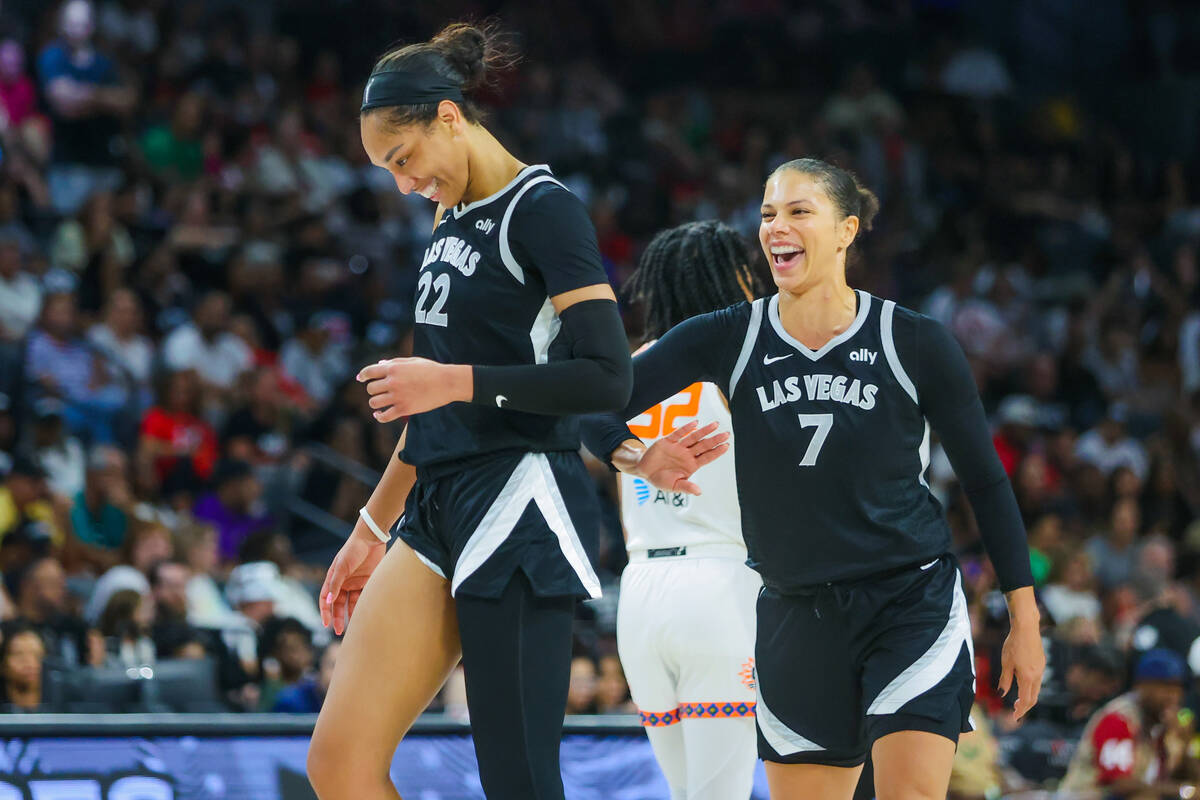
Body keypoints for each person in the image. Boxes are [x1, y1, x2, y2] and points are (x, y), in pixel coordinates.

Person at [581, 158, 1044, 799]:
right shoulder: (726, 337)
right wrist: (635, 455)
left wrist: (1025, 618)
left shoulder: (914, 341)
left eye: (799, 212)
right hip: (793, 612)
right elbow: (592, 400)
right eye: (768, 214)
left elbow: (987, 484)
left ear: (847, 230)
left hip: (907, 601)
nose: (777, 227)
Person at [306, 22, 640, 800]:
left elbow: (605, 375)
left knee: (518, 783)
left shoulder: (545, 209)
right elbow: (428, 410)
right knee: (340, 763)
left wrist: (455, 381)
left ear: (449, 118)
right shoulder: (448, 216)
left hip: (520, 501)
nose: (401, 183)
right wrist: (368, 529)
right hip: (435, 504)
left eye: (402, 158)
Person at [611, 220, 770, 799]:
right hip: (719, 587)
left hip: (640, 592)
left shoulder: (632, 368)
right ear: (730, 278)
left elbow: (585, 429)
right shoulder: (736, 363)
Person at [1060, 648, 1197, 797]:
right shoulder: (1119, 719)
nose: (1172, 697)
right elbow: (1120, 785)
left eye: (1178, 689)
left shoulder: (1166, 724)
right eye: (1165, 688)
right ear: (1141, 686)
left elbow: (1191, 777)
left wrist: (1185, 742)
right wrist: (1183, 791)